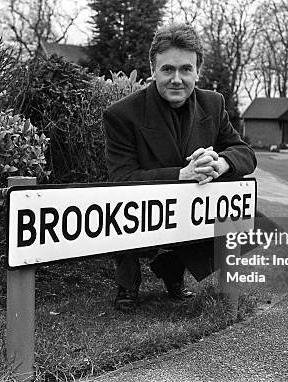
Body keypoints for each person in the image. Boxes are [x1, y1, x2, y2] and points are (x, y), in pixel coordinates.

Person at [103, 23, 256, 311]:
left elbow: (245, 153)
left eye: (186, 69)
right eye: (167, 70)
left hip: (189, 212)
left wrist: (220, 163)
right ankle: (128, 282)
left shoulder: (213, 104)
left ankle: (171, 266)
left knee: (252, 220)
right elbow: (122, 179)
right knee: (118, 204)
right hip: (141, 212)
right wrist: (181, 175)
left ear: (198, 71)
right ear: (153, 70)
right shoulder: (121, 115)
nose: (177, 79)